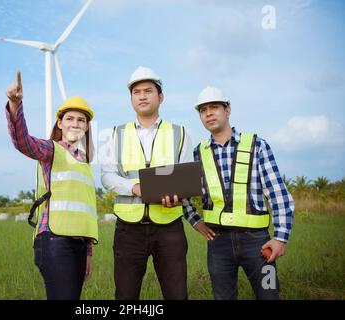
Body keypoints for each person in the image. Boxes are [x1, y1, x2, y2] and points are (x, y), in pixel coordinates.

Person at [101, 66, 203, 300]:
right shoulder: (116, 133)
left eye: (148, 90)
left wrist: (178, 196)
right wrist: (133, 187)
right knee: (125, 296)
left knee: (177, 294)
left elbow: (187, 176)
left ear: (161, 97)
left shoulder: (180, 133)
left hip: (169, 227)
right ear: (131, 99)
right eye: (136, 92)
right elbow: (107, 176)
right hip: (128, 229)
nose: (143, 96)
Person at [187, 86, 294, 300]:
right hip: (218, 245)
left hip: (258, 243)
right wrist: (195, 220)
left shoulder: (258, 145)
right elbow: (185, 195)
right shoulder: (199, 152)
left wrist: (281, 238)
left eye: (214, 107)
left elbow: (277, 194)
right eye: (203, 110)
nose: (208, 113)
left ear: (228, 110)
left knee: (270, 294)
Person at [5, 71, 98, 300]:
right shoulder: (51, 150)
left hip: (77, 245)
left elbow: (84, 214)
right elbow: (22, 141)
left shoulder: (84, 164)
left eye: (81, 120)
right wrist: (15, 105)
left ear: (86, 127)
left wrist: (88, 253)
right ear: (60, 123)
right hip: (54, 241)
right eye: (70, 118)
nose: (75, 123)